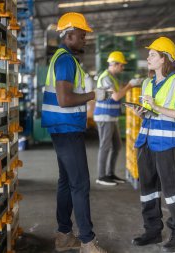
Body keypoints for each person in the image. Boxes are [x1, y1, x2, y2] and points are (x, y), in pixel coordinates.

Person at [41, 12, 110, 253]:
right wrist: (94, 95)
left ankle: (63, 235)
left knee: (66, 182)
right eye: (82, 35)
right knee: (80, 184)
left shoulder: (65, 58)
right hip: (67, 129)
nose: (85, 39)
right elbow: (64, 99)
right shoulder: (65, 60)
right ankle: (88, 242)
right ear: (69, 34)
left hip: (62, 129)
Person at [130, 37, 175, 252]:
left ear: (164, 59)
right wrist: (141, 113)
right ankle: (152, 231)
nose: (148, 58)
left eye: (153, 54)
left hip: (165, 144)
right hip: (145, 142)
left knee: (172, 192)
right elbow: (150, 113)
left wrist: (156, 106)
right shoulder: (147, 83)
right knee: (148, 190)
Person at [93, 51, 137, 186]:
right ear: (115, 64)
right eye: (121, 65)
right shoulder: (106, 77)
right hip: (104, 116)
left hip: (111, 117)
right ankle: (101, 176)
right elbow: (116, 96)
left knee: (117, 146)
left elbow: (117, 94)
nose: (122, 68)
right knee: (105, 146)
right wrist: (130, 85)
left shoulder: (112, 78)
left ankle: (110, 174)